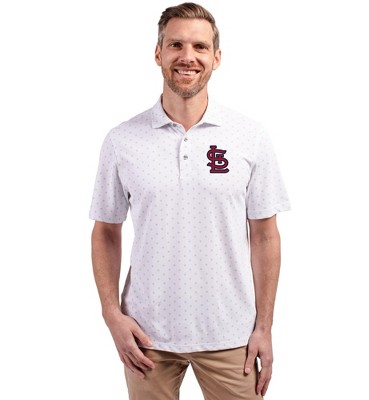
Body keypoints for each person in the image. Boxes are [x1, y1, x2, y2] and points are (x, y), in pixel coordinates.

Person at [89, 2, 290, 399]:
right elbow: (106, 232)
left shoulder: (249, 136)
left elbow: (265, 236)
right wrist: (112, 315)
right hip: (146, 336)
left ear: (216, 57)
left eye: (200, 47)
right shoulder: (122, 140)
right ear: (158, 53)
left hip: (230, 332)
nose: (188, 56)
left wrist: (264, 326)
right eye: (176, 45)